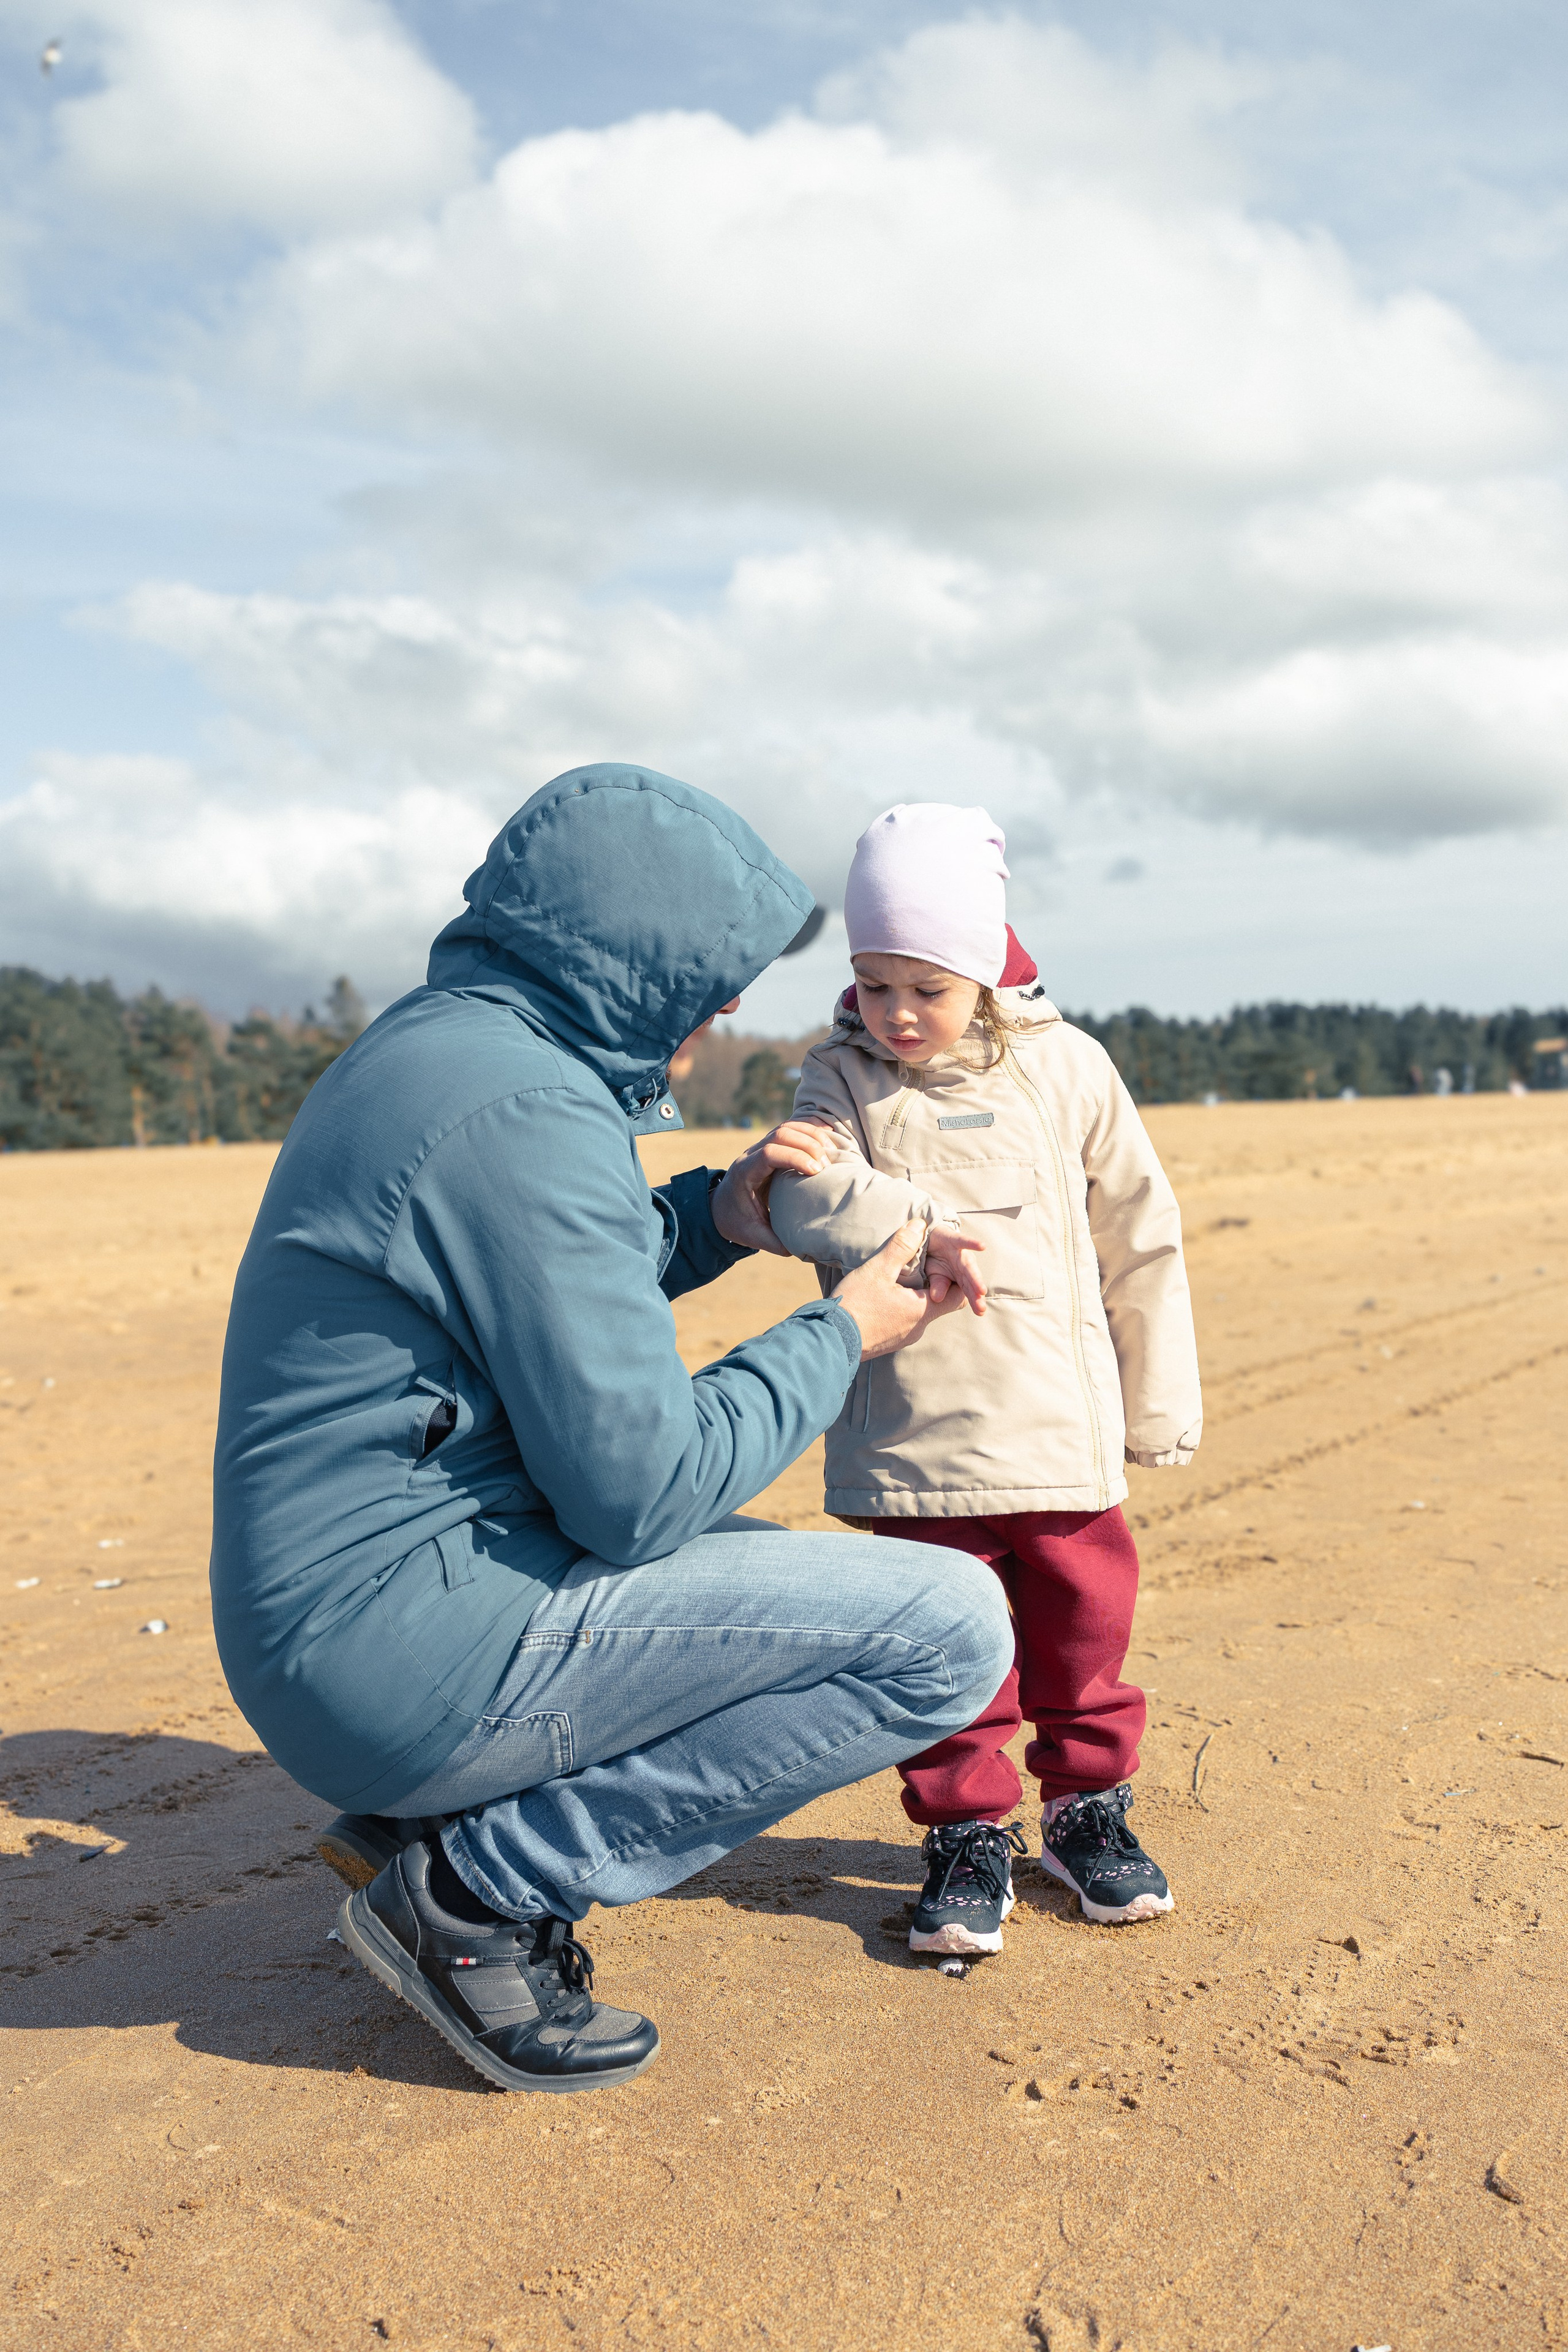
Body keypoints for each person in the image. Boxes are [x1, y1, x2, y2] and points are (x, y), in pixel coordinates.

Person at [209, 766, 1011, 2095]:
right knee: (945, 1631)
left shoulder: (450, 1053)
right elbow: (640, 1494)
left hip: (347, 1622)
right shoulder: (526, 1110)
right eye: (711, 969)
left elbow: (539, 1274)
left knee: (769, 1577)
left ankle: (429, 1813)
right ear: (630, 957)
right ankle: (477, 1889)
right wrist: (841, 1333)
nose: (729, 1003)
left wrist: (715, 1216)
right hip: (386, 1654)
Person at [768, 802, 1203, 1958]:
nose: (898, 1013)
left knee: (1084, 1632)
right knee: (941, 1647)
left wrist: (1156, 1406)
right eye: (874, 983)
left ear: (983, 970)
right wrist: (922, 1221)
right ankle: (965, 1831)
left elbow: (1141, 1235)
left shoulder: (1069, 1066)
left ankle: (1087, 1811)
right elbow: (804, 1192)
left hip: (1057, 1431)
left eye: (928, 986)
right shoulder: (841, 1075)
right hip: (913, 1442)